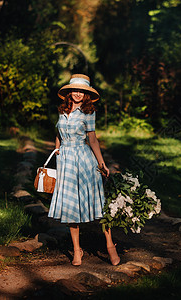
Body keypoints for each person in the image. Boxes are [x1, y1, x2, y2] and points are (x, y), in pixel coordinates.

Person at [48, 74, 120, 266]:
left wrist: (102, 163)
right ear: (69, 92)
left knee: (97, 202)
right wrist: (57, 151)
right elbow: (58, 134)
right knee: (71, 206)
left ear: (86, 94)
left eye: (82, 91)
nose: (78, 93)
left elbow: (93, 140)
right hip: (66, 162)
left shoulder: (89, 112)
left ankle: (110, 245)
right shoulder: (63, 110)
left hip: (84, 159)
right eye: (75, 90)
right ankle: (77, 250)